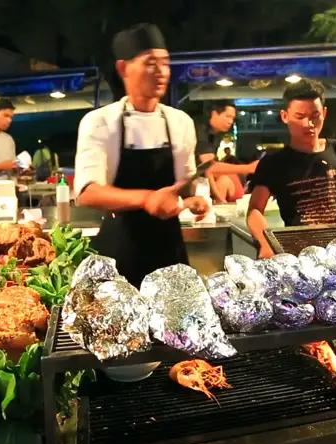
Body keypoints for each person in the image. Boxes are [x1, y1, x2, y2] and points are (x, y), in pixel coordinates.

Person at [74, 23, 209, 286]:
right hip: (120, 250)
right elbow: (88, 192)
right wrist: (147, 199)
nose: (161, 72)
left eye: (165, 63)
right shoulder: (100, 121)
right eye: (150, 63)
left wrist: (195, 197)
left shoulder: (180, 121)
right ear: (123, 68)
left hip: (169, 251)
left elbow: (184, 185)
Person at [247, 78, 336, 259]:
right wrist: (267, 243)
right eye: (300, 117)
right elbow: (254, 210)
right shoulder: (274, 162)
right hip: (300, 252)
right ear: (285, 116)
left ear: (324, 113)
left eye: (315, 116)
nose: (309, 124)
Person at [196, 101, 257, 202]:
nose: (230, 121)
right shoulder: (200, 131)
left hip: (203, 181)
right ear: (214, 114)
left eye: (232, 118)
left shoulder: (216, 135)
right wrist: (249, 168)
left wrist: (219, 198)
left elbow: (208, 170)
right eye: (227, 116)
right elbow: (209, 166)